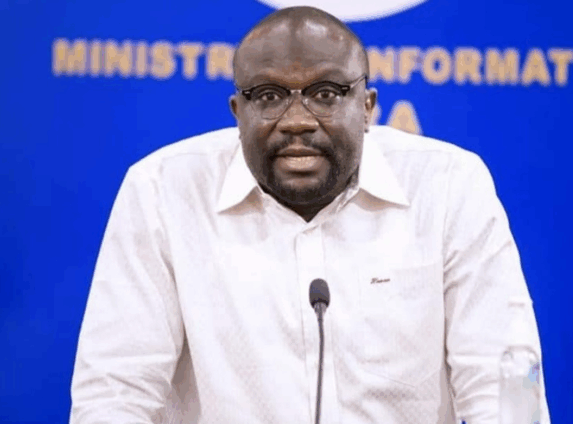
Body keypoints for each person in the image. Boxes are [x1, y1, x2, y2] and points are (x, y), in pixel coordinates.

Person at [70, 6, 550, 424]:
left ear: (367, 108)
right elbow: (115, 394)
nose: (297, 120)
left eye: (326, 93)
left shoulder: (448, 185)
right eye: (269, 96)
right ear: (237, 112)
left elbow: (505, 382)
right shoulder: (164, 191)